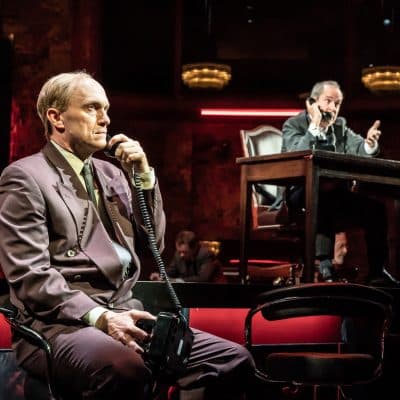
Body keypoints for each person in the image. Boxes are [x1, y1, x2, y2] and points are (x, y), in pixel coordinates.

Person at [0, 71, 256, 399]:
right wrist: (101, 317)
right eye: (92, 108)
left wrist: (144, 178)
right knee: (126, 370)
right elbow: (31, 276)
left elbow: (154, 244)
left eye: (106, 109)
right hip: (60, 325)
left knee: (233, 360)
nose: (105, 119)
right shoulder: (25, 177)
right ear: (56, 117)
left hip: (125, 312)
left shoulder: (112, 173)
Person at [282, 80, 397, 286]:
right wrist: (315, 127)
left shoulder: (340, 126)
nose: (333, 108)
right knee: (323, 194)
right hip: (300, 192)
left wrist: (369, 145)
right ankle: (323, 263)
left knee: (376, 210)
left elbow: (359, 149)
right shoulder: (293, 124)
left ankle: (377, 272)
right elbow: (295, 154)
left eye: (337, 104)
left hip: (333, 194)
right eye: (328, 101)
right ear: (312, 103)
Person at [149, 230, 226, 283]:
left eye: (185, 252)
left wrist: (178, 281)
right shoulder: (178, 255)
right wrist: (161, 276)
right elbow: (172, 271)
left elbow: (203, 278)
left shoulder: (206, 254)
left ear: (195, 248)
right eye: (179, 252)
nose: (181, 255)